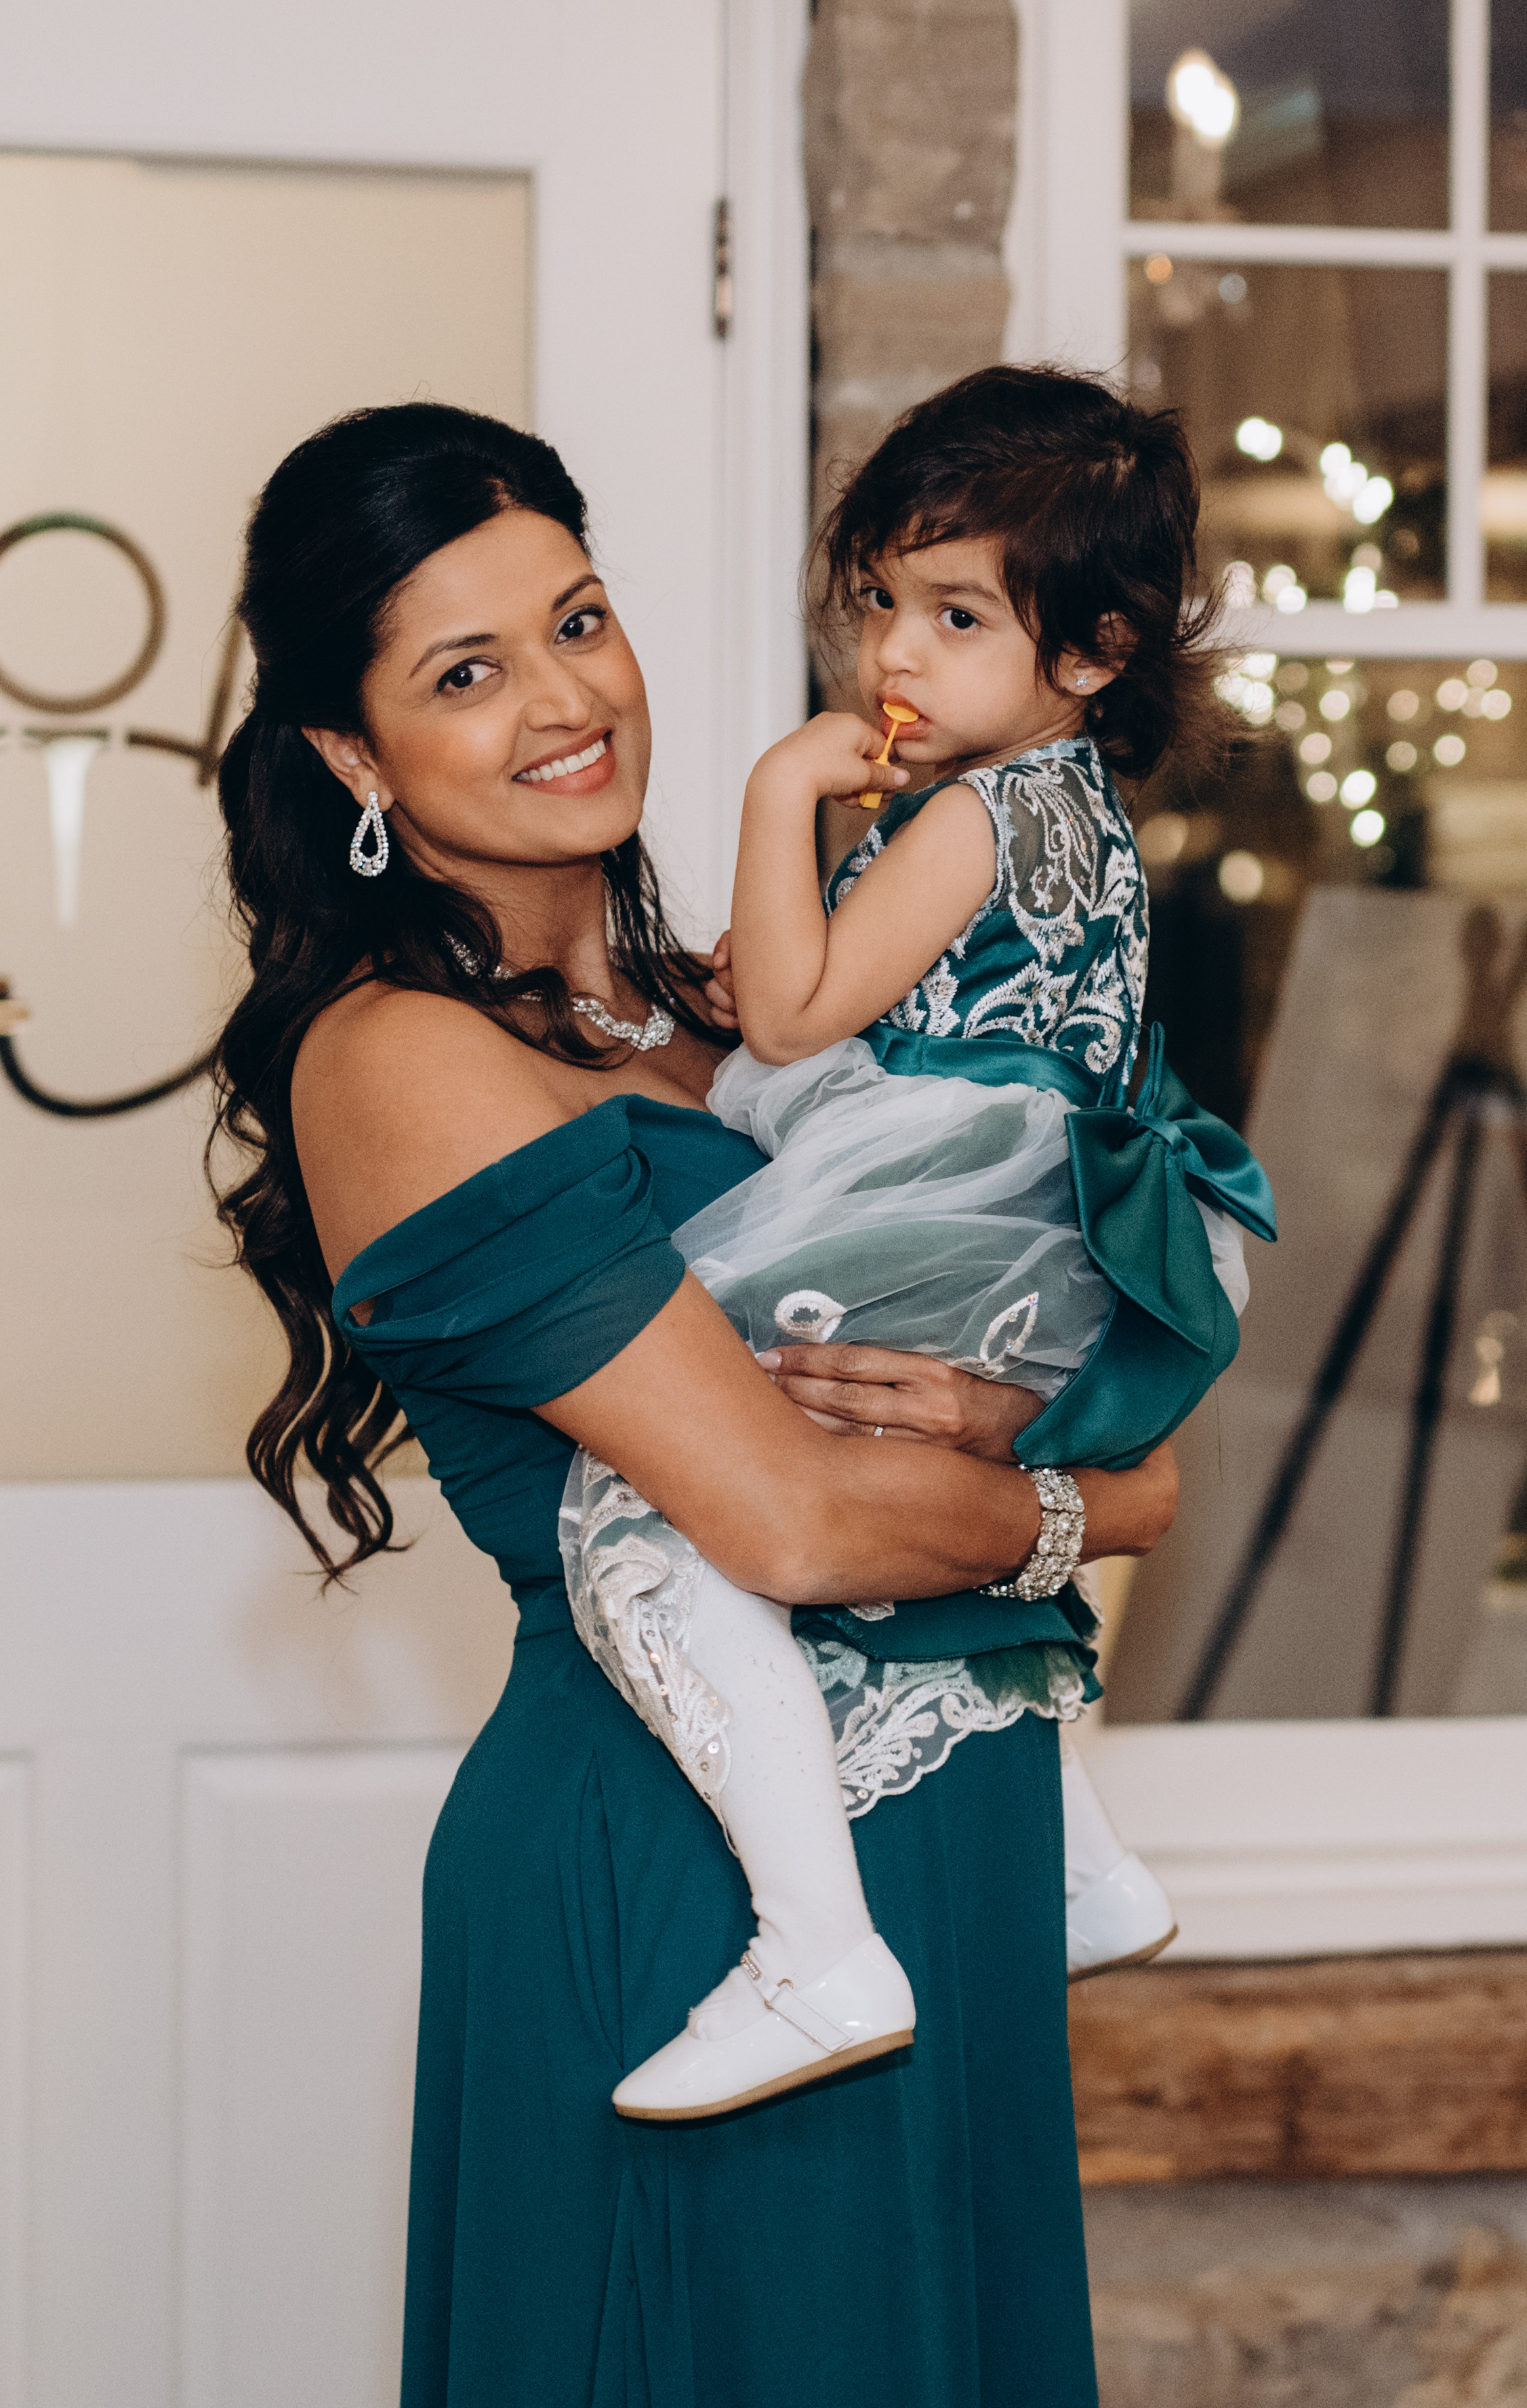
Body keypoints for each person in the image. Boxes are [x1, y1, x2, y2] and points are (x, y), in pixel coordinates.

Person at [209, 397, 1165, 2408]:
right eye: (464, 672)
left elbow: (1095, 1320)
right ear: (351, 756)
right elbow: (794, 1521)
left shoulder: (732, 1011)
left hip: (953, 1848)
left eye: (579, 620)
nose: (566, 699)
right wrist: (1095, 1513)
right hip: (692, 1882)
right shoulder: (400, 1058)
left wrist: (1039, 1440)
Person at [556, 366, 1276, 2124]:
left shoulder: (968, 815)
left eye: (957, 616)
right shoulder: (1071, 810)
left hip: (950, 1200)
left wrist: (778, 789)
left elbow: (794, 1018)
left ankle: (813, 1945)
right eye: (882, 600)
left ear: (1093, 650)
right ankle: (1085, 1864)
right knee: (906, 1512)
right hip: (1047, 1223)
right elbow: (845, 1001)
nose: (894, 654)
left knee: (649, 1509)